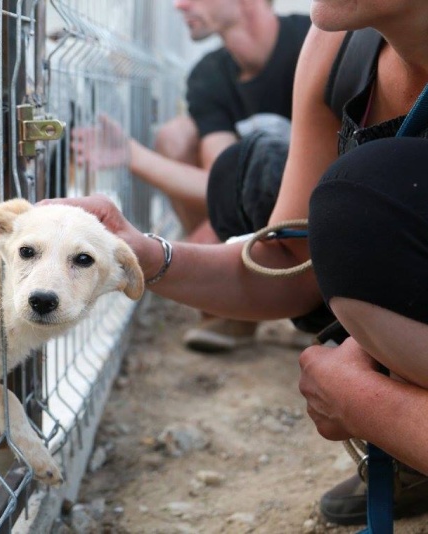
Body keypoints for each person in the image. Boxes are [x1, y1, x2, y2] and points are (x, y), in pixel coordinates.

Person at [49, 0, 428, 525]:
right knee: (276, 182)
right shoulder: (332, 45)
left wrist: (371, 406)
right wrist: (138, 253)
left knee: (363, 195)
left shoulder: (304, 34)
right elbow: (288, 266)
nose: (178, 4)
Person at [76, 0, 310, 353]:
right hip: (255, 207)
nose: (179, 4)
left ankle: (323, 303)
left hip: (321, 211)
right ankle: (238, 306)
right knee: (175, 136)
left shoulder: (314, 41)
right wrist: (130, 154)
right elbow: (225, 185)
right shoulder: (209, 73)